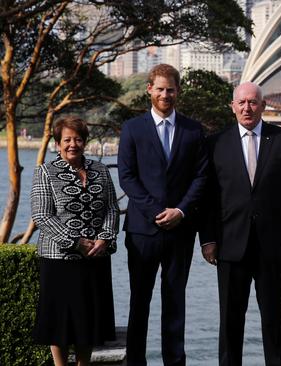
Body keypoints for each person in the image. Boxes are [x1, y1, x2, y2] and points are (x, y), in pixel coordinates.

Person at [199, 81, 281, 366]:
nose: (247, 107)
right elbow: (208, 197)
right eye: (242, 102)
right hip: (229, 245)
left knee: (273, 317)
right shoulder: (215, 143)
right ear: (233, 107)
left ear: (263, 106)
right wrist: (208, 239)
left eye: (253, 102)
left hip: (273, 246)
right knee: (230, 319)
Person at [118, 64, 207, 366]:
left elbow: (201, 177)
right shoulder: (132, 129)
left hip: (181, 232)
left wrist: (180, 211)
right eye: (160, 89)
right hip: (143, 230)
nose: (165, 94)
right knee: (139, 302)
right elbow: (127, 178)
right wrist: (159, 212)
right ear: (149, 90)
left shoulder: (194, 131)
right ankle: (135, 363)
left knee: (175, 303)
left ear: (178, 91)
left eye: (170, 89)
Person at [31, 116, 119, 366]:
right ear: (57, 144)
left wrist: (105, 238)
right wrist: (76, 242)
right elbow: (42, 215)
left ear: (84, 142)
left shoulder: (100, 170)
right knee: (59, 321)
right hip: (59, 259)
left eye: (78, 139)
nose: (73, 144)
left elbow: (112, 208)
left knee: (88, 321)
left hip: (95, 258)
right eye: (67, 139)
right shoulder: (45, 172)